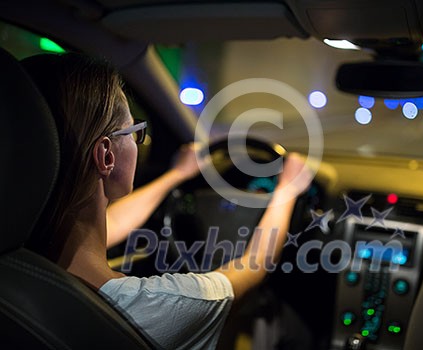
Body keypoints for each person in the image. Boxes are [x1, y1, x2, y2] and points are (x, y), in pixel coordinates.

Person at [22, 53, 312, 349]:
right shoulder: (162, 306)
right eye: (134, 132)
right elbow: (254, 265)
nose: (137, 141)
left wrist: (176, 175)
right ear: (107, 156)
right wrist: (287, 190)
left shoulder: (21, 271)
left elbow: (113, 222)